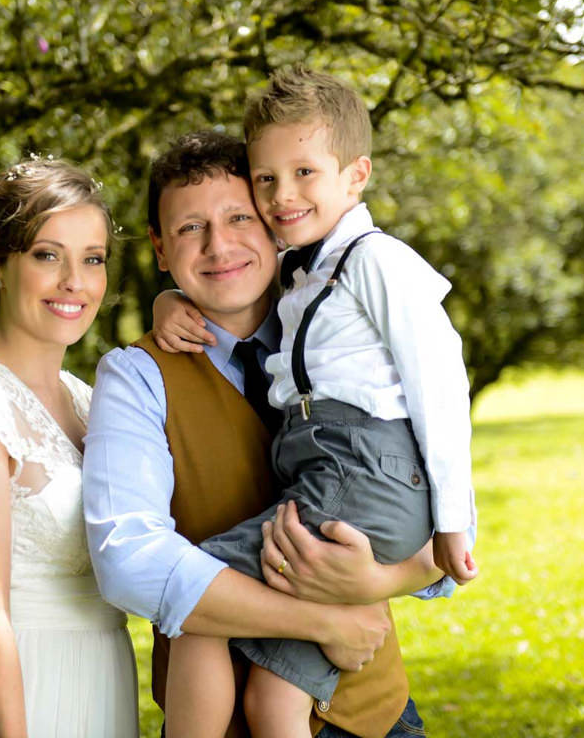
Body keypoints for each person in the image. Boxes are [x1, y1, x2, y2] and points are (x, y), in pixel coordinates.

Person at [83, 130, 449, 738]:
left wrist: (380, 581)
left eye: (238, 218)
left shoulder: (345, 331)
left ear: (277, 225)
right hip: (220, 717)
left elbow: (436, 513)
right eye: (189, 229)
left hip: (371, 710)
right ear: (159, 249)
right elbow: (129, 562)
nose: (219, 245)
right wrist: (322, 622)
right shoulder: (137, 377)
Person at [155, 67, 478, 737]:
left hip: (357, 473)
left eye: (305, 173)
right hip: (336, 472)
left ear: (356, 175)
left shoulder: (373, 261)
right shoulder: (308, 269)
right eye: (266, 180)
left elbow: (440, 380)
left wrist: (454, 521)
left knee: (193, 594)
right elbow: (224, 267)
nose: (282, 196)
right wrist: (169, 300)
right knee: (275, 705)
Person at [0, 158, 138, 738]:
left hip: (103, 679)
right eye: (47, 255)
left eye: (92, 259)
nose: (75, 281)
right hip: (20, 695)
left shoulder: (91, 401)